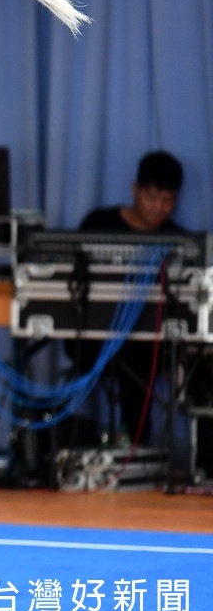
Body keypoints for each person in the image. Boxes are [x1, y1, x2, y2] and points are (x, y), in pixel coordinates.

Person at [76, 150, 185, 446]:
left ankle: (135, 445)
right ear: (135, 189)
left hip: (147, 344)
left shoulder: (179, 241)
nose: (159, 208)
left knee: (143, 358)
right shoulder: (98, 224)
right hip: (92, 336)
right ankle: (72, 442)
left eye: (168, 201)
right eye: (152, 198)